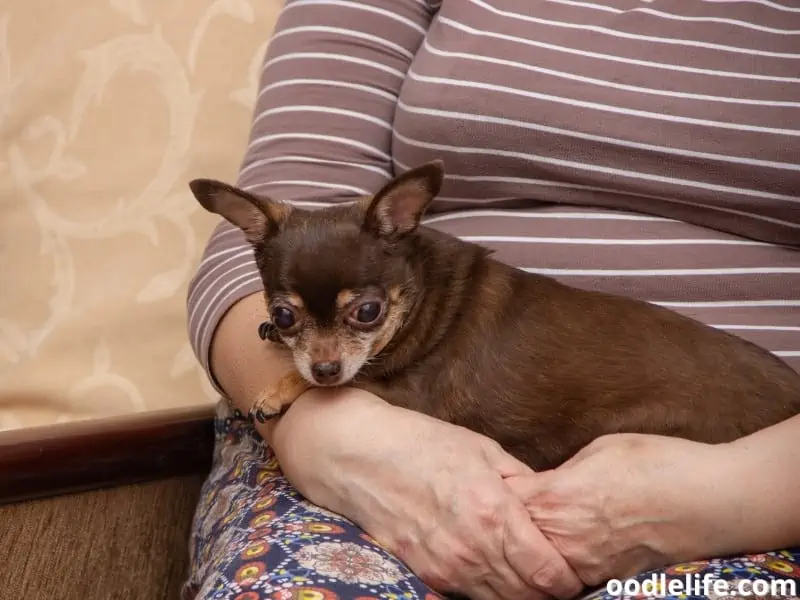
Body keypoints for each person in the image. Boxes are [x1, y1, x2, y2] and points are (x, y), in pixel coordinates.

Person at [182, 1, 800, 599]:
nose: (320, 357)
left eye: (362, 315)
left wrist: (732, 494)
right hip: (354, 446)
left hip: (763, 470)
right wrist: (320, 427)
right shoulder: (324, 295)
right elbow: (295, 185)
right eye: (289, 320)